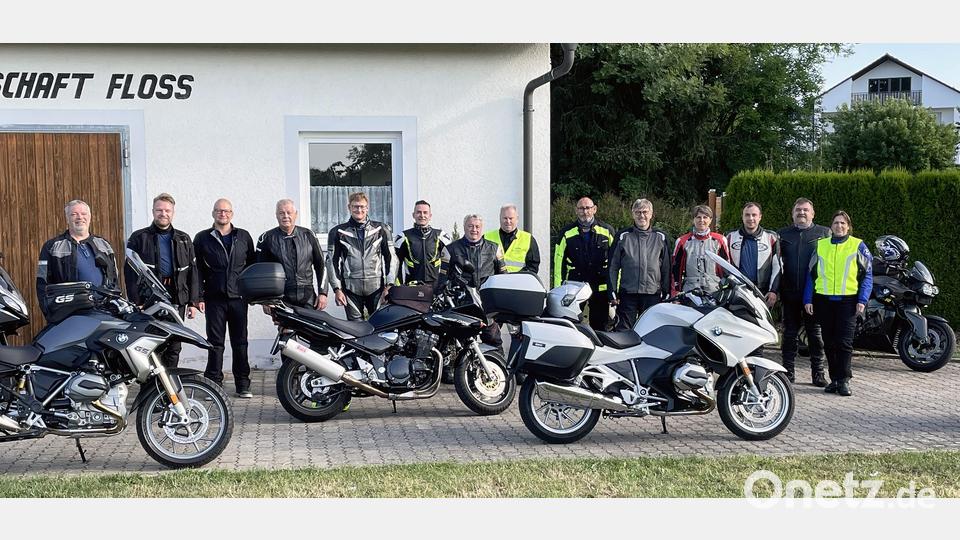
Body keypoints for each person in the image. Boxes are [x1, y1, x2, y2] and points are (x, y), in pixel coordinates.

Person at [125, 193, 201, 368]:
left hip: (177, 297)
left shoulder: (183, 238)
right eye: (159, 210)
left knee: (174, 344)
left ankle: (170, 382)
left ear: (173, 213)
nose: (163, 214)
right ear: (153, 211)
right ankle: (152, 383)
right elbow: (129, 273)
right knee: (152, 343)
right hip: (149, 299)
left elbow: (192, 271)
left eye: (167, 210)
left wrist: (192, 302)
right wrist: (136, 301)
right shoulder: (138, 237)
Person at [803, 211, 873, 397]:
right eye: (836, 223)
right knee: (829, 342)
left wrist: (862, 299)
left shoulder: (858, 245)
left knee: (844, 343)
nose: (839, 226)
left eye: (843, 223)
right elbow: (811, 275)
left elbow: (867, 275)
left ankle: (844, 380)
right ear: (831, 226)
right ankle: (834, 379)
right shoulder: (821, 245)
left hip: (848, 301)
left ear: (848, 227)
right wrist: (808, 299)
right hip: (824, 300)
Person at [194, 199, 256, 398]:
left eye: (227, 211)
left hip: (238, 298)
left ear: (232, 214)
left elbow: (252, 266)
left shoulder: (243, 236)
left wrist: (252, 294)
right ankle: (213, 383)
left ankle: (243, 384)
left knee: (240, 342)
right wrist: (198, 296)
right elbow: (197, 270)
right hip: (214, 298)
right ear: (213, 213)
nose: (223, 214)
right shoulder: (202, 238)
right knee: (215, 343)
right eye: (219, 211)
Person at [37, 199, 120, 320]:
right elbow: (41, 282)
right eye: (74, 214)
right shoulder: (52, 247)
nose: (80, 217)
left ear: (90, 217)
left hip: (104, 312)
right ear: (67, 219)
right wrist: (50, 314)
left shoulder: (104, 245)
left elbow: (115, 279)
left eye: (83, 214)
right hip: (69, 314)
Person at [777, 197, 830, 386]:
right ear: (792, 214)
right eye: (798, 210)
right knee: (789, 334)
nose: (802, 213)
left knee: (815, 334)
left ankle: (818, 373)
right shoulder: (782, 234)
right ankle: (787, 372)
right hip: (789, 292)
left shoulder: (824, 233)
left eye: (805, 210)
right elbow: (776, 264)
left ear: (812, 214)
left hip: (814, 294)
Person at [327, 192, 397, 320]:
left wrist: (390, 285)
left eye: (362, 206)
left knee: (379, 325)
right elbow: (331, 262)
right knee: (355, 328)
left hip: (376, 288)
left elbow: (391, 258)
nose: (359, 210)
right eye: (355, 206)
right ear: (349, 207)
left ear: (367, 207)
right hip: (350, 289)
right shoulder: (337, 232)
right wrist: (337, 289)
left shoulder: (381, 229)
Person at [608, 198, 672, 331]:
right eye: (637, 212)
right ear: (632, 214)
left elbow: (666, 268)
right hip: (628, 293)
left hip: (652, 294)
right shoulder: (622, 236)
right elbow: (613, 267)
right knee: (623, 332)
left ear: (651, 214)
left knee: (650, 331)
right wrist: (612, 291)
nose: (641, 216)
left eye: (645, 212)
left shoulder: (661, 237)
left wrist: (667, 292)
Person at [442, 214, 506, 347]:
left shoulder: (494, 248)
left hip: (486, 305)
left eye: (477, 226)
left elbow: (503, 277)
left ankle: (494, 361)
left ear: (482, 228)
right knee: (461, 345)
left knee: (494, 342)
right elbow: (442, 279)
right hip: (462, 306)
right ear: (464, 227)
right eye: (470, 226)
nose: (474, 230)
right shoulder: (450, 249)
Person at [553, 196, 615, 331]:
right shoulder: (566, 233)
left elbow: (615, 263)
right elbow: (558, 263)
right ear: (576, 210)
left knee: (600, 328)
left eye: (588, 208)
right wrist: (558, 290)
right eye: (581, 208)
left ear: (594, 209)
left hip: (600, 288)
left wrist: (614, 290)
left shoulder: (607, 231)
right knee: (571, 325)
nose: (585, 211)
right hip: (574, 288)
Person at [256, 199, 328, 309]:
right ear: (276, 215)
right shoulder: (266, 238)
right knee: (285, 322)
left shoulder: (309, 235)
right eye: (281, 213)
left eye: (289, 212)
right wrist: (265, 300)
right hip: (281, 298)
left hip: (307, 296)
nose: (285, 216)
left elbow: (321, 265)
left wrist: (323, 293)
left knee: (311, 321)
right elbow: (261, 272)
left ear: (296, 214)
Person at [725, 202, 781, 307]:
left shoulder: (771, 237)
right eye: (747, 215)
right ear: (742, 216)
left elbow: (777, 266)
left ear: (760, 217)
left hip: (762, 291)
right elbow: (724, 264)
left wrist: (773, 290)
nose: (750, 218)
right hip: (737, 289)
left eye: (754, 215)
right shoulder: (729, 236)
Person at [672, 205, 731, 295]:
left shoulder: (720, 240)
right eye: (698, 217)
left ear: (710, 220)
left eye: (705, 217)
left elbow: (727, 267)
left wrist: (726, 290)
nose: (701, 220)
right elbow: (676, 269)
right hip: (690, 290)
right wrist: (675, 292)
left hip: (714, 289)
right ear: (693, 219)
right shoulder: (682, 241)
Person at [395, 200, 451, 285]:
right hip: (412, 287)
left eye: (425, 212)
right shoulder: (403, 237)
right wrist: (398, 287)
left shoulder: (441, 236)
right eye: (418, 212)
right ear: (413, 215)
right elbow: (395, 266)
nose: (422, 215)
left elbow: (451, 262)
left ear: (430, 216)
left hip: (436, 287)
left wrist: (446, 283)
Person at [483, 204, 540, 274]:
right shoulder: (486, 237)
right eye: (505, 218)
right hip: (493, 280)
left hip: (518, 280)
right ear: (500, 218)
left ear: (517, 219)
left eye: (511, 218)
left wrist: (514, 277)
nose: (508, 221)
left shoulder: (528, 239)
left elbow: (533, 267)